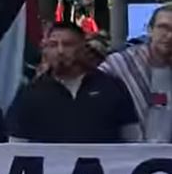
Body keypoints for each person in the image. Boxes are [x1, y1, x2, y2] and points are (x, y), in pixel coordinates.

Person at [8, 21, 139, 144]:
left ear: (83, 48)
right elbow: (17, 145)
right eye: (53, 45)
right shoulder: (29, 94)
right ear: (45, 51)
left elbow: (132, 141)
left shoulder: (112, 87)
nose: (60, 51)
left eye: (67, 44)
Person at [101, 3, 172, 142]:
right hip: (131, 154)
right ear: (150, 30)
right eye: (163, 27)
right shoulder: (123, 63)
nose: (169, 35)